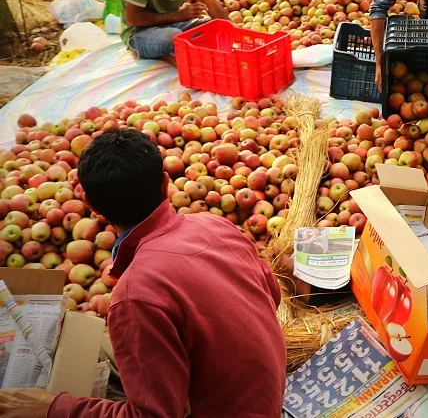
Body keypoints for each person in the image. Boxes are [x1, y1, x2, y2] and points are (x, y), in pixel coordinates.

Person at [0, 129, 286, 416]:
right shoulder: (215, 225)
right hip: (268, 394)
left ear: (90, 205)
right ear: (166, 183)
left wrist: (52, 407)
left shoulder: (134, 295)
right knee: (101, 342)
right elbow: (272, 296)